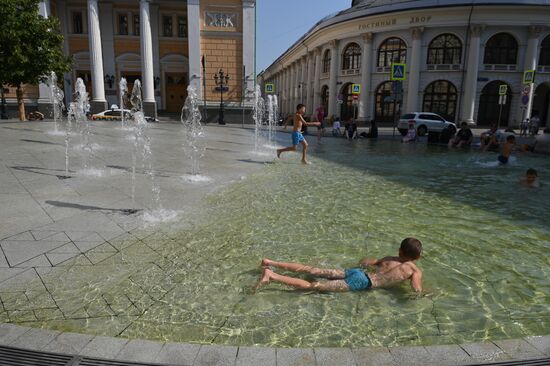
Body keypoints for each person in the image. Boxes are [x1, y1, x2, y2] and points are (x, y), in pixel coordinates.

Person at [254, 237, 423, 293]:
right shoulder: (414, 270)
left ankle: (270, 262)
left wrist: (366, 264)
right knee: (313, 286)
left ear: (400, 251)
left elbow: (366, 262)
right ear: (417, 257)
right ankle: (271, 275)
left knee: (312, 270)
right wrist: (425, 294)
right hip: (363, 283)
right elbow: (417, 289)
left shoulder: (389, 257)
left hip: (357, 272)